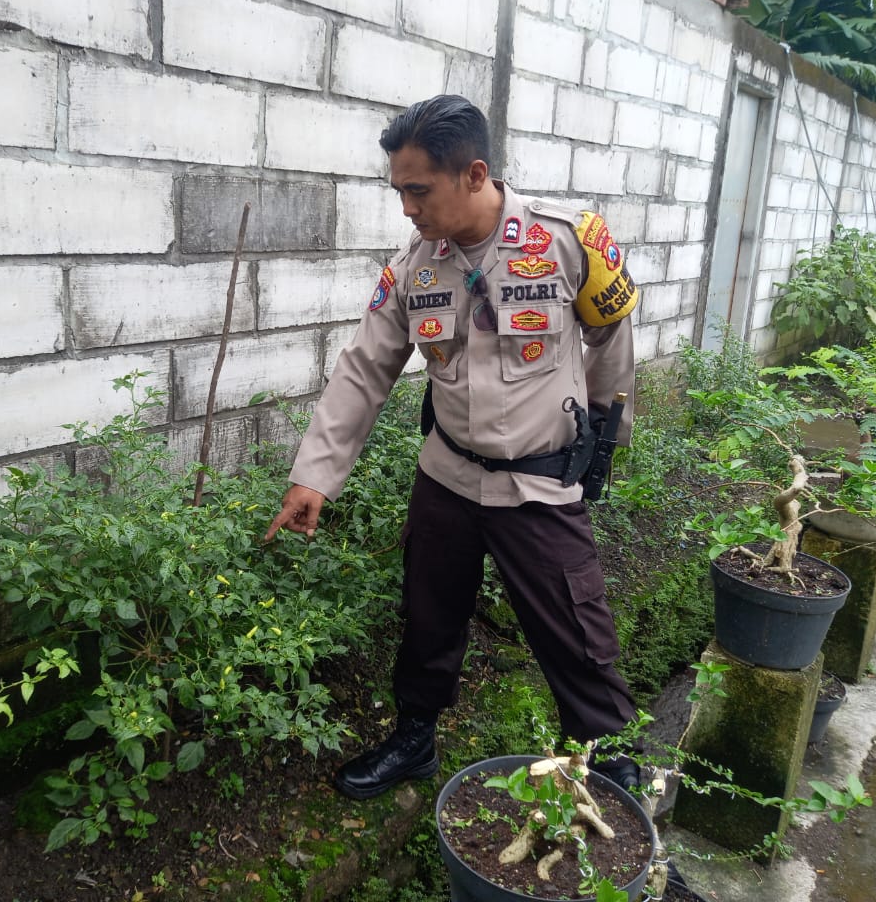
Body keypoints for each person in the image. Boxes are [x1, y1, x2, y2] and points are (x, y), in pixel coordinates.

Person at [263, 95, 642, 800]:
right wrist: (315, 475)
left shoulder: (568, 241)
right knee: (428, 616)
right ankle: (414, 738)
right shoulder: (414, 266)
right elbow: (364, 369)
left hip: (538, 484)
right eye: (399, 191)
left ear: (473, 174)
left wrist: (600, 443)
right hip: (447, 479)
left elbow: (611, 339)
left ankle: (611, 758)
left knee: (574, 624)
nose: (407, 207)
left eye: (419, 190)